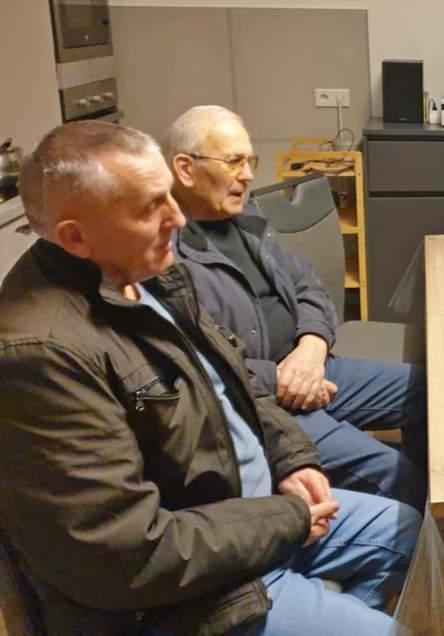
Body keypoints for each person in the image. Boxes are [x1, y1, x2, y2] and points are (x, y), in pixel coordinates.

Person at [0, 121, 419, 634]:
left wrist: (290, 457)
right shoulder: (40, 354)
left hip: (253, 518)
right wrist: (285, 519)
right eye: (149, 208)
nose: (177, 218)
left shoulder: (147, 273)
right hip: (190, 590)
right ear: (75, 236)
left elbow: (235, 379)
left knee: (405, 532)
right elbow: (124, 553)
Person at [165, 106, 427, 511]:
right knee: (397, 473)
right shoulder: (165, 257)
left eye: (249, 161)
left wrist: (312, 348)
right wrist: (285, 379)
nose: (247, 175)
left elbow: (309, 286)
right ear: (185, 169)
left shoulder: (246, 219)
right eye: (233, 161)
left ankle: (422, 505)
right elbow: (200, 370)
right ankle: (407, 523)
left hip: (311, 365)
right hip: (261, 402)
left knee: (432, 390)